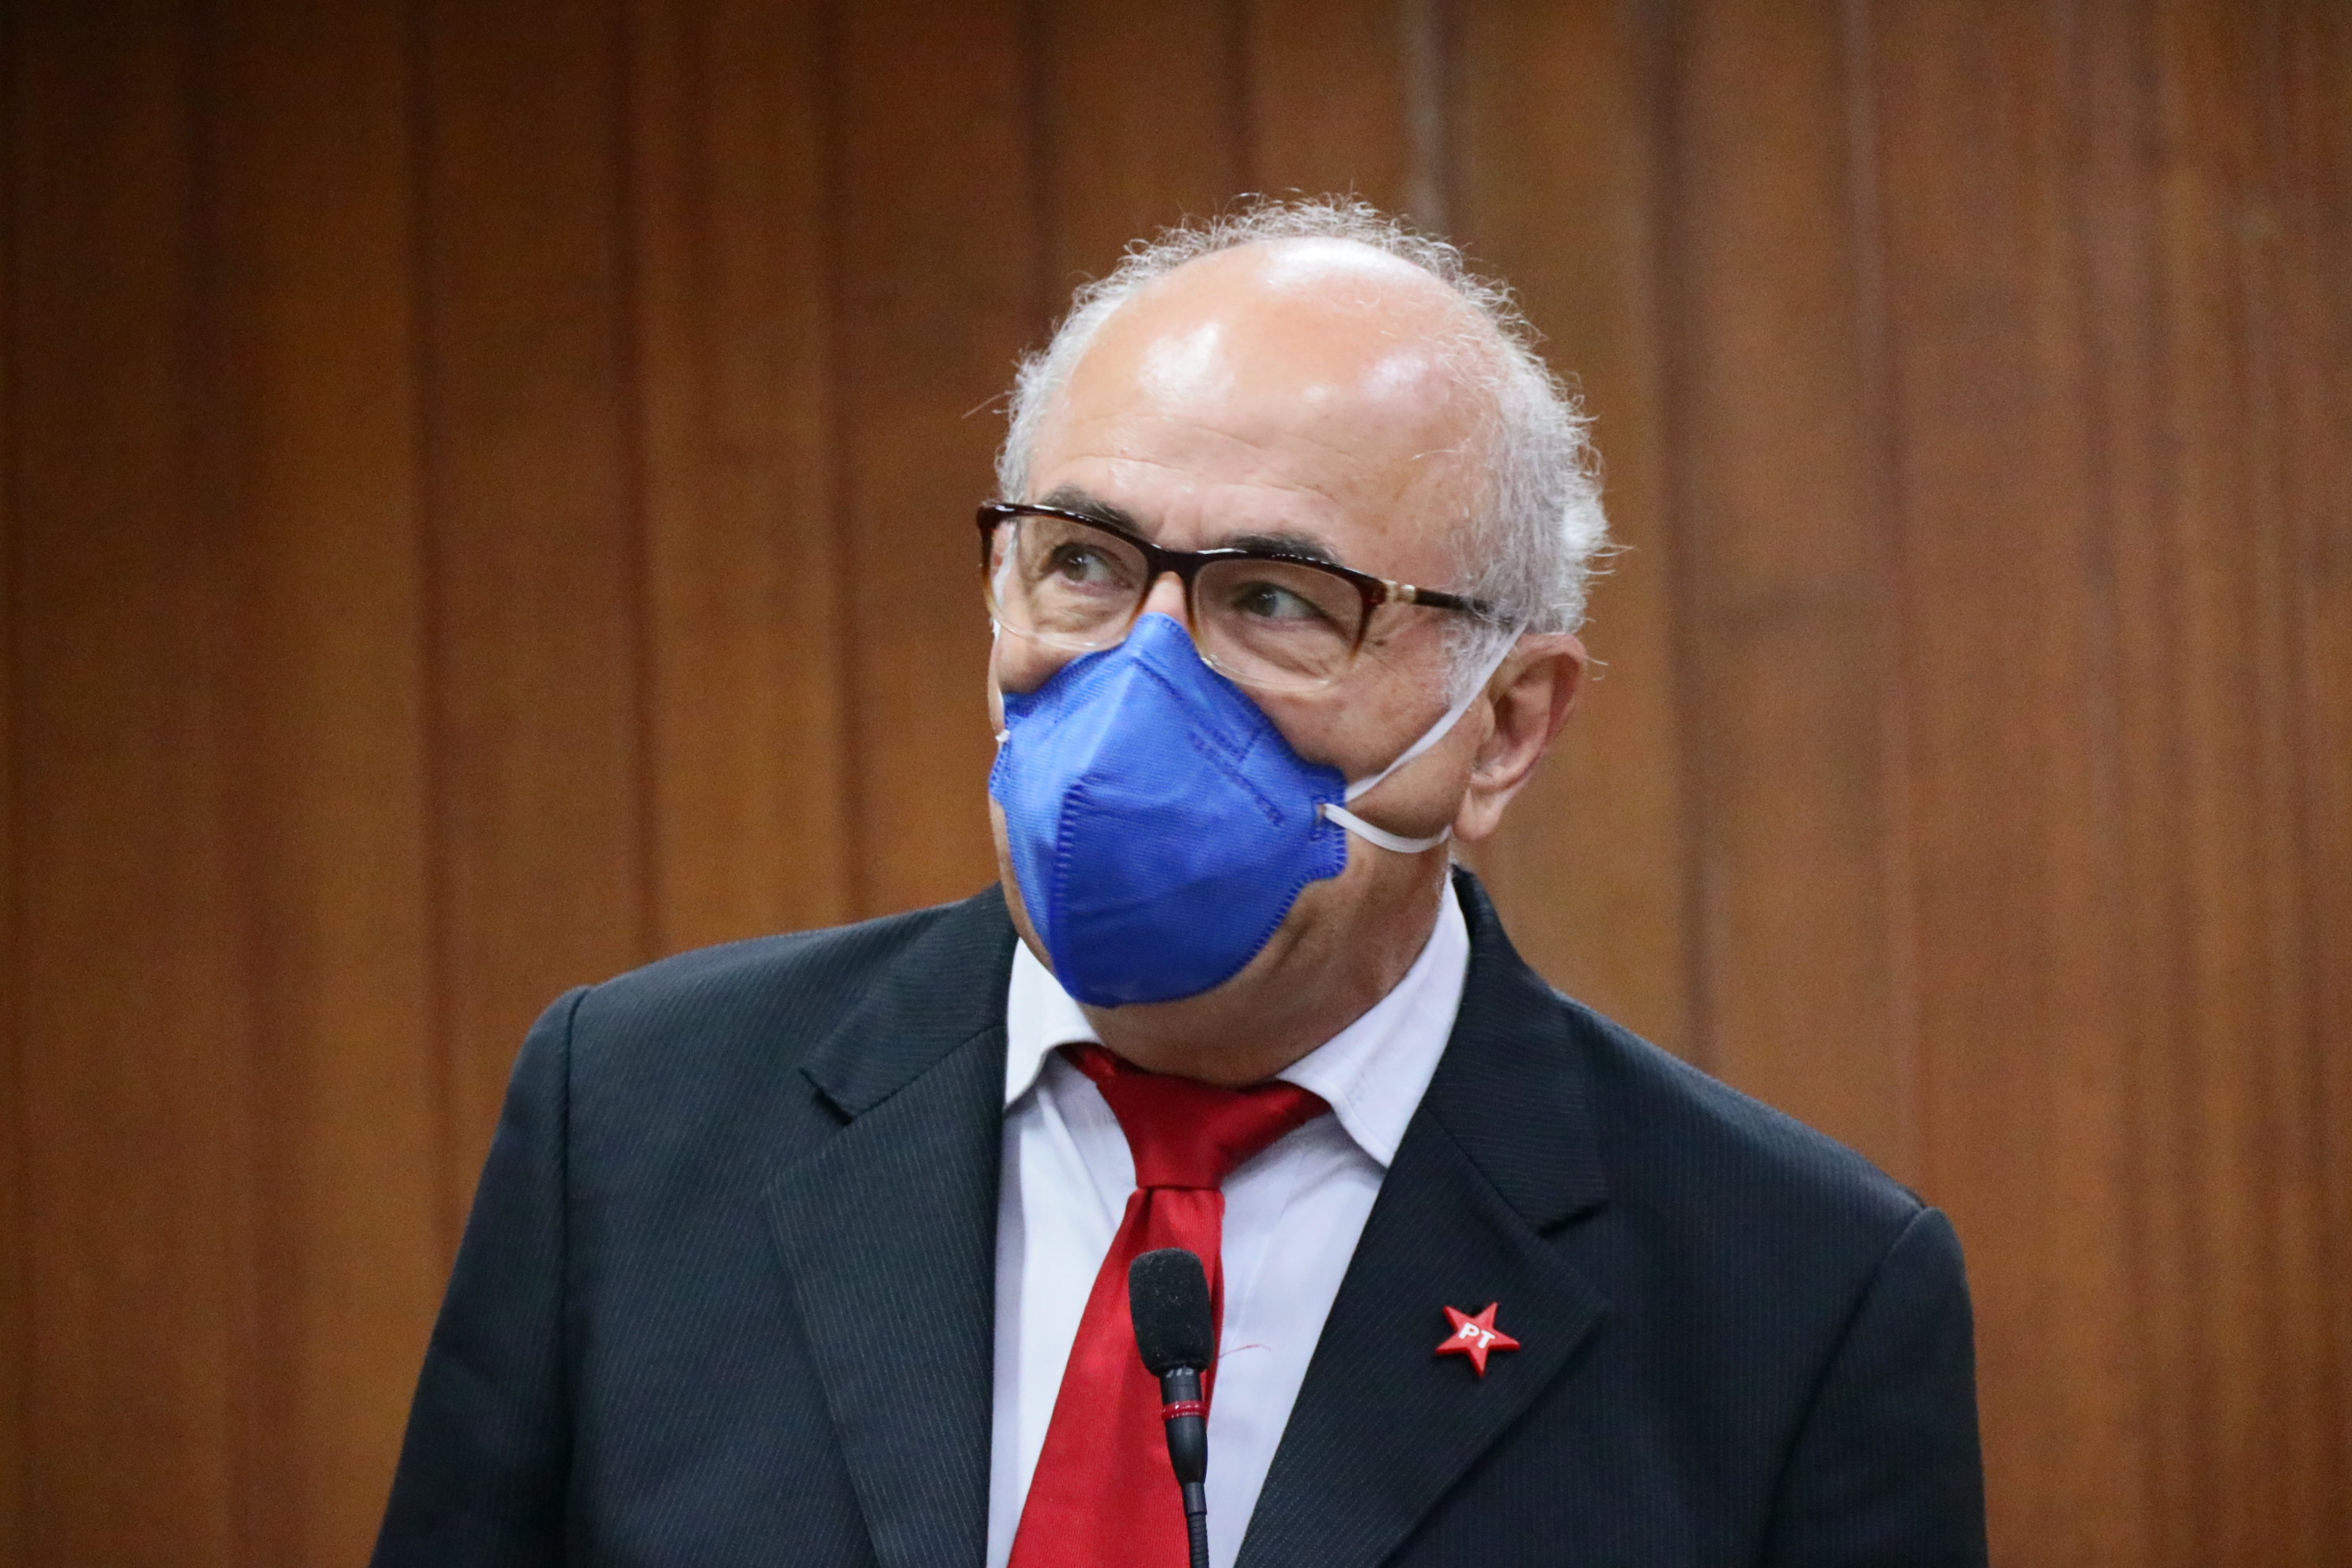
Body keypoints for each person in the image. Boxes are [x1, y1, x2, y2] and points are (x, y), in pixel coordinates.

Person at [372, 198, 1986, 1568]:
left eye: (1275, 598)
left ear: (1502, 725)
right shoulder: (638, 1115)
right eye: (1082, 562)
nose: (1142, 678)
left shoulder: (1795, 1295)